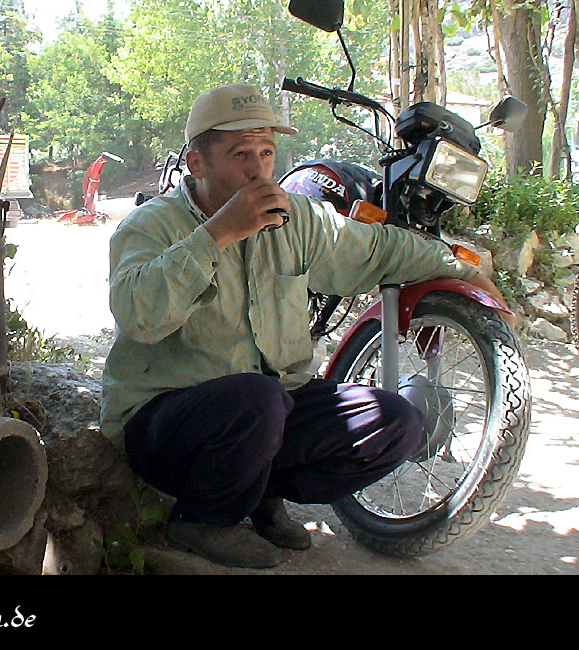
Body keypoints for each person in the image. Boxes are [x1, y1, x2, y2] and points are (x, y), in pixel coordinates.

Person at [100, 83, 510, 569]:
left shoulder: (297, 220)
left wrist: (465, 269)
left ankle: (259, 492)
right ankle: (204, 518)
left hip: (267, 410)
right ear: (197, 164)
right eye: (240, 154)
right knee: (257, 398)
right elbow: (139, 317)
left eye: (266, 152)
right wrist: (219, 234)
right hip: (168, 423)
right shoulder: (150, 225)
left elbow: (379, 248)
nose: (257, 169)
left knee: (395, 421)